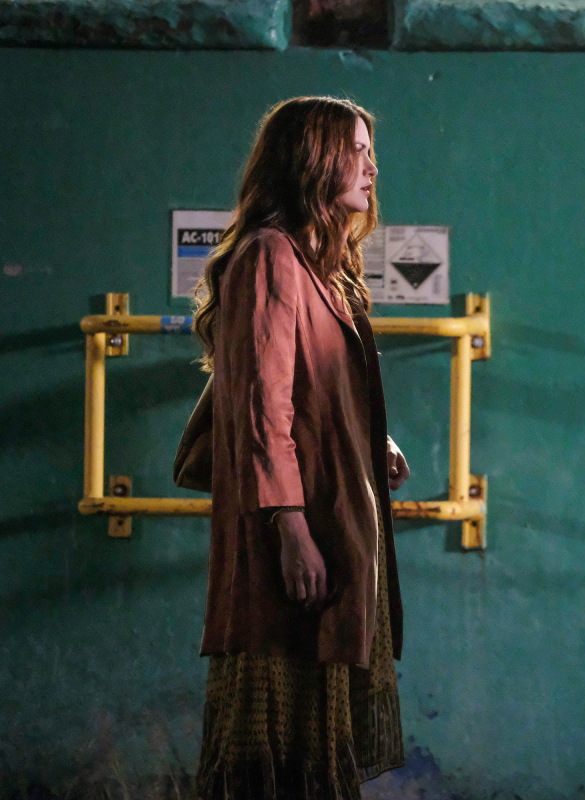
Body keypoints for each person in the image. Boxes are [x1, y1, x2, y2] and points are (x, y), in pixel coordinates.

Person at [185, 96, 410, 799]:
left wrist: (373, 438)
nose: (372, 167)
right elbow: (263, 406)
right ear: (313, 159)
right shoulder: (270, 258)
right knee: (277, 749)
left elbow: (311, 386)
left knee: (315, 743)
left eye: (371, 150)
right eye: (356, 150)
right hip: (295, 538)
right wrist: (290, 527)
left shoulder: (323, 268)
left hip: (332, 529)